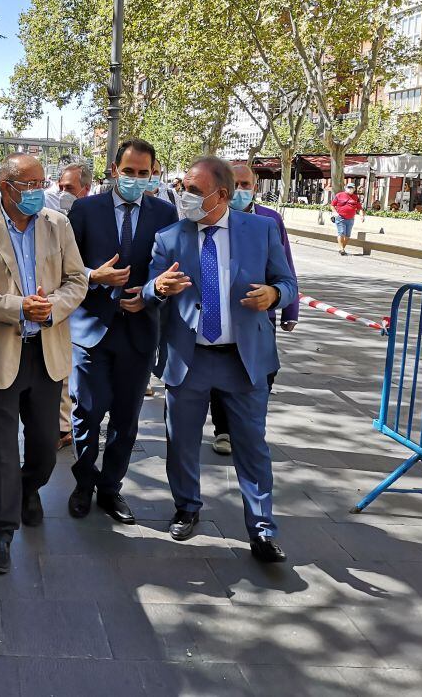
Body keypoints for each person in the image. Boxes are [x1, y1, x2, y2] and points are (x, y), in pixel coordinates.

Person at [144, 157, 296, 563]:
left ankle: (262, 530)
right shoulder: (169, 237)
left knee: (253, 446)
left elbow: (288, 283)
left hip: (243, 360)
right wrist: (157, 287)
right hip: (188, 357)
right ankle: (187, 507)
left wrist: (275, 296)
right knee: (182, 442)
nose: (185, 196)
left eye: (194, 190)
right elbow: (147, 293)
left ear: (222, 195)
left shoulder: (262, 230)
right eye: (184, 188)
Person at [0, 153, 88, 574]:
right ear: (6, 186)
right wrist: (16, 307)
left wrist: (51, 309)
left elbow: (77, 280)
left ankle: (30, 488)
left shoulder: (57, 224)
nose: (38, 191)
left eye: (41, 182)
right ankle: (0, 531)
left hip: (46, 352)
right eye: (29, 184)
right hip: (0, 352)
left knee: (46, 446)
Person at [66, 140, 178, 523]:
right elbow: (65, 267)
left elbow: (170, 268)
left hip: (139, 330)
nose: (134, 179)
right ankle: (83, 482)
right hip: (91, 327)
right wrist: (93, 276)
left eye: (142, 173)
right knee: (87, 411)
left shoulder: (165, 212)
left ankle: (110, 488)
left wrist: (148, 296)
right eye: (128, 171)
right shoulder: (84, 209)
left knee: (126, 418)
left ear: (153, 174)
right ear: (114, 170)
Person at [211, 163, 298, 455]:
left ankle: (249, 429)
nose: (240, 191)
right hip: (219, 318)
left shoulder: (269, 221)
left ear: (255, 187)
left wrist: (289, 308)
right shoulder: (208, 218)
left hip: (260, 317)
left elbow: (285, 269)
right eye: (235, 184)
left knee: (260, 374)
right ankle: (223, 430)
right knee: (221, 375)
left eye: (246, 184)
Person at [42, 163, 95, 450]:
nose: (62, 193)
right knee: (61, 368)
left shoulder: (95, 215)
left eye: (69, 188)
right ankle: (64, 426)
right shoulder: (53, 218)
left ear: (85, 189)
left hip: (90, 309)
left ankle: (79, 423)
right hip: (59, 302)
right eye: (60, 187)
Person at [330, 181, 362, 256]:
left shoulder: (356, 197)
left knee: (347, 235)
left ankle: (342, 248)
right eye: (349, 188)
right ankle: (342, 249)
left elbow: (359, 208)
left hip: (350, 219)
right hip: (340, 217)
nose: (350, 189)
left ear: (354, 189)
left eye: (352, 188)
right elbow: (332, 205)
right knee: (341, 232)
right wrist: (335, 212)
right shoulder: (339, 195)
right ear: (345, 188)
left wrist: (361, 216)